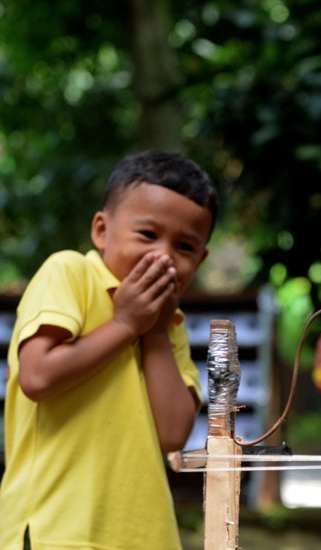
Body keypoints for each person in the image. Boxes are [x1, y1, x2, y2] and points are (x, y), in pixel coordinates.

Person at [0, 151, 218, 549]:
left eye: (185, 247)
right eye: (148, 235)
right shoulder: (70, 272)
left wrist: (153, 331)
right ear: (102, 230)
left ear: (200, 260)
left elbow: (172, 434)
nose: (164, 255)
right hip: (56, 531)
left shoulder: (170, 324)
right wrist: (125, 325)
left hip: (143, 537)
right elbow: (37, 377)